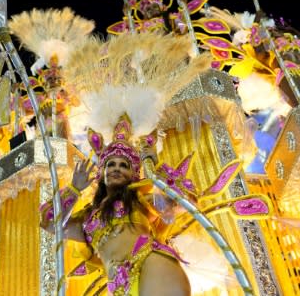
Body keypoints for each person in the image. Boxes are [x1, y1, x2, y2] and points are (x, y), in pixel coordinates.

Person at [39, 113, 191, 296]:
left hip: (150, 263)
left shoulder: (139, 202)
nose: (116, 168)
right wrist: (74, 189)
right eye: (111, 164)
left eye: (123, 165)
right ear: (102, 173)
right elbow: (49, 223)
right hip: (119, 287)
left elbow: (185, 201)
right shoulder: (86, 219)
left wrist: (156, 167)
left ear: (133, 175)